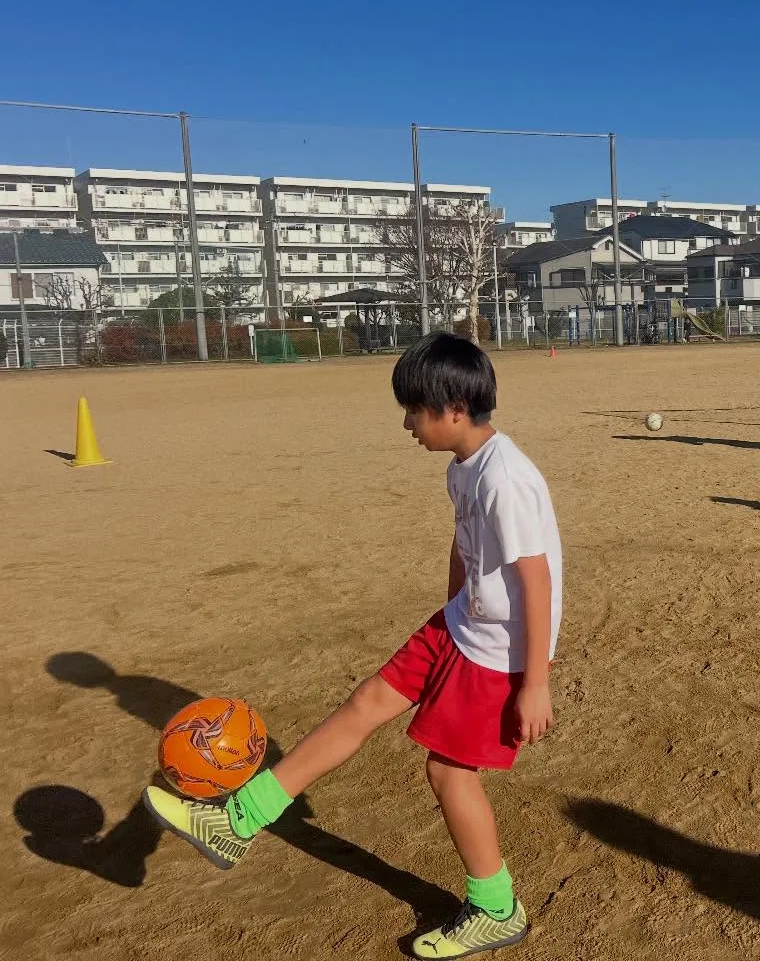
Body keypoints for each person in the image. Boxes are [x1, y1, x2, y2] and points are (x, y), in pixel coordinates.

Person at [143, 332, 561, 958]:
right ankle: (236, 822)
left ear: (451, 408)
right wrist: (449, 612)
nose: (407, 424)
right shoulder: (463, 467)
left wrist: (534, 684)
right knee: (366, 702)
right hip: (460, 627)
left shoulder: (507, 478)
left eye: (414, 410)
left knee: (448, 771)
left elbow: (536, 578)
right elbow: (466, 544)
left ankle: (496, 907)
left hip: (499, 653)